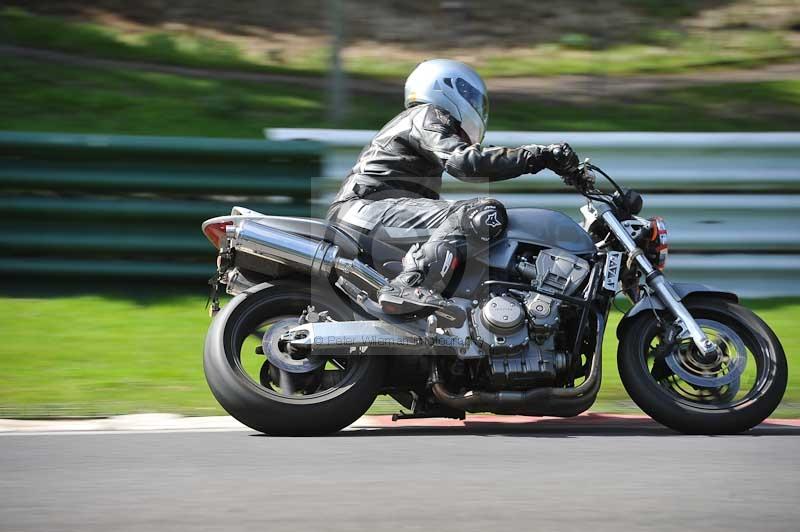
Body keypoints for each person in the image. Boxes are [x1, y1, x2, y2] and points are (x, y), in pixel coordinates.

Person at [327, 59, 588, 319]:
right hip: (367, 209)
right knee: (481, 212)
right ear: (444, 87)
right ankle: (409, 285)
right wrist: (537, 156)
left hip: (372, 211)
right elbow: (464, 162)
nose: (474, 105)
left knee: (466, 229)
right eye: (468, 95)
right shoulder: (427, 114)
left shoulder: (423, 123)